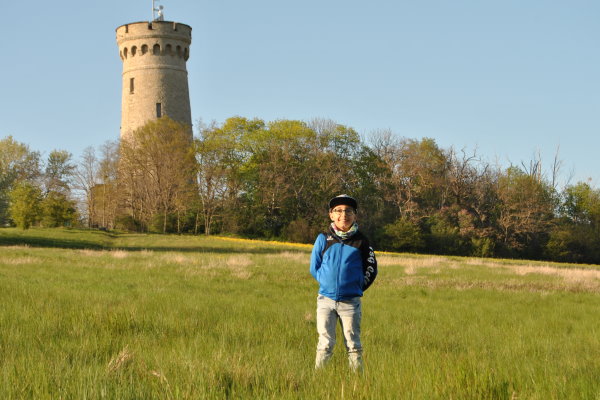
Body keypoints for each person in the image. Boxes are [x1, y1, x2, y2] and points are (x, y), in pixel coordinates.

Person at [310, 194, 378, 371]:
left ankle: (358, 382)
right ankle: (318, 379)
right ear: (331, 215)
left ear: (355, 215)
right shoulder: (323, 239)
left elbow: (371, 268)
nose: (343, 214)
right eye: (338, 210)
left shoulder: (362, 241)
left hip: (350, 303)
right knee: (325, 343)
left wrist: (355, 287)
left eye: (348, 211)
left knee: (353, 345)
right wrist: (327, 284)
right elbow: (314, 267)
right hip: (325, 301)